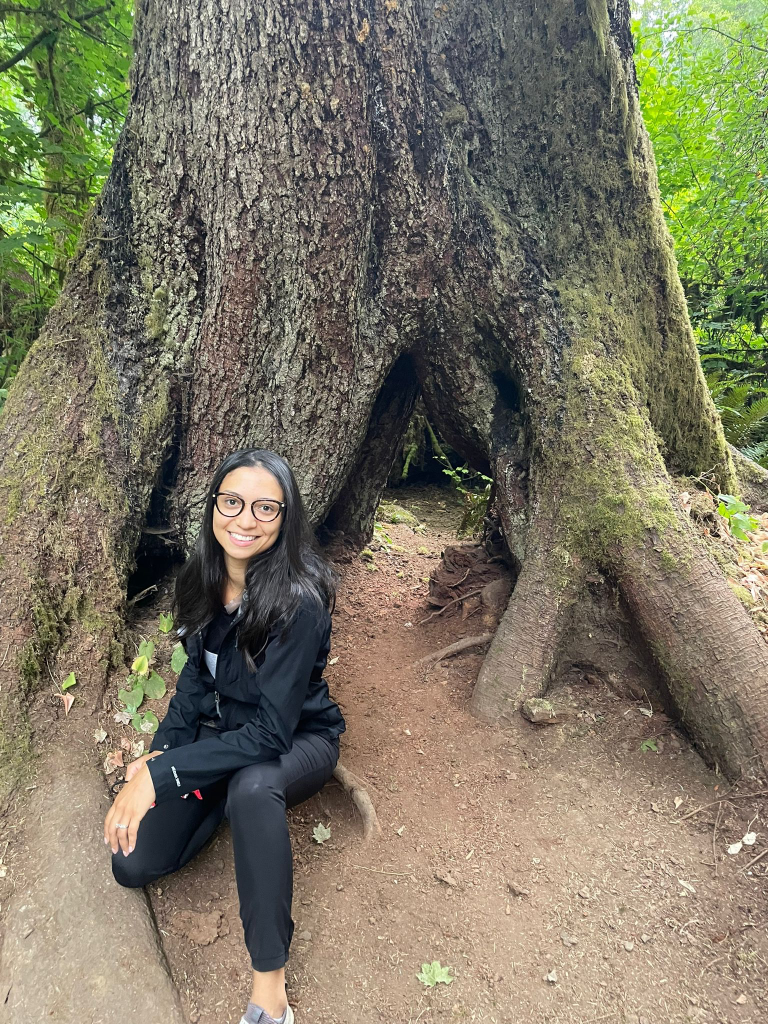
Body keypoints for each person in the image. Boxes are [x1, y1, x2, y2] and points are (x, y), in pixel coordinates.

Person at [104, 449, 345, 1024]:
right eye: (232, 502)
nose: (245, 519)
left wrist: (164, 776)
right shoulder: (204, 577)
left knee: (251, 787)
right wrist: (164, 749)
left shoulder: (299, 600)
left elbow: (269, 731)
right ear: (214, 506)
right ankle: (212, 798)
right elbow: (194, 674)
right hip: (224, 733)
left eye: (266, 507)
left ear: (286, 517)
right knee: (132, 864)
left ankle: (270, 991)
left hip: (294, 739)